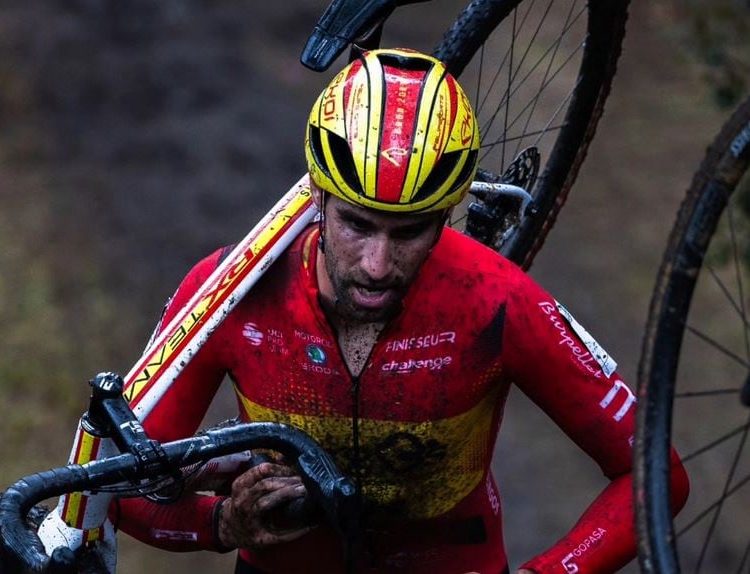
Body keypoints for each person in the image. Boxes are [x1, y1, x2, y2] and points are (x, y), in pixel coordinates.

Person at [113, 48, 689, 573]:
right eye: (357, 224)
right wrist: (219, 524)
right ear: (316, 196)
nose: (377, 264)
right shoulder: (229, 289)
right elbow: (111, 490)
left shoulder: (498, 298)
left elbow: (657, 475)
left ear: (446, 215)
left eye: (410, 231)